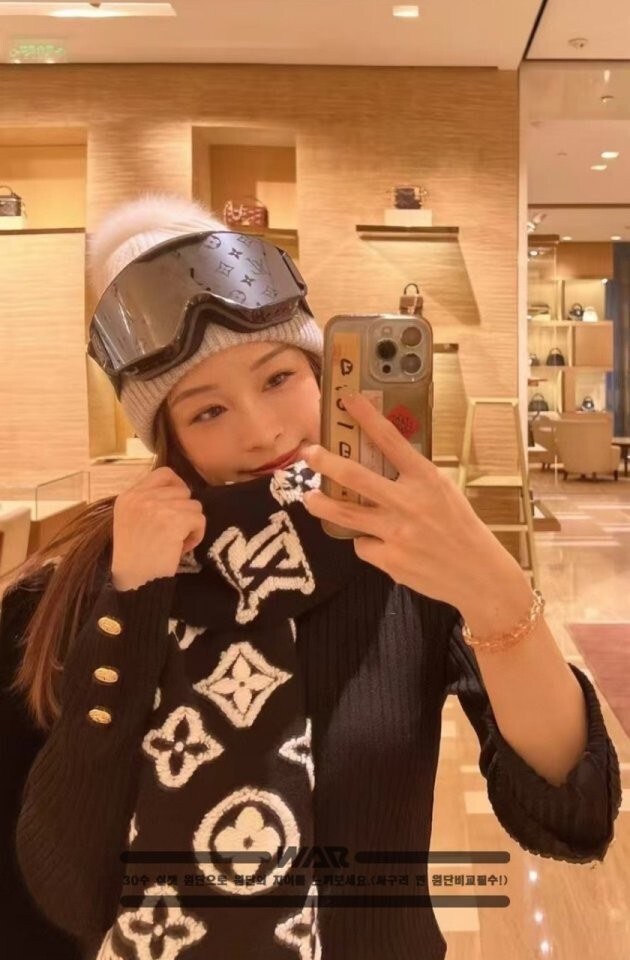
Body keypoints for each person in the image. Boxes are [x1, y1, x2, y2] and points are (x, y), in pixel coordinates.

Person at [1, 194, 621, 960]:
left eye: (277, 378)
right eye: (206, 412)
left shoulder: (399, 553)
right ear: (169, 441)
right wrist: (132, 604)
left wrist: (494, 592)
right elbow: (65, 890)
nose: (262, 432)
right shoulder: (97, 578)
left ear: (324, 373)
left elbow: (572, 813)